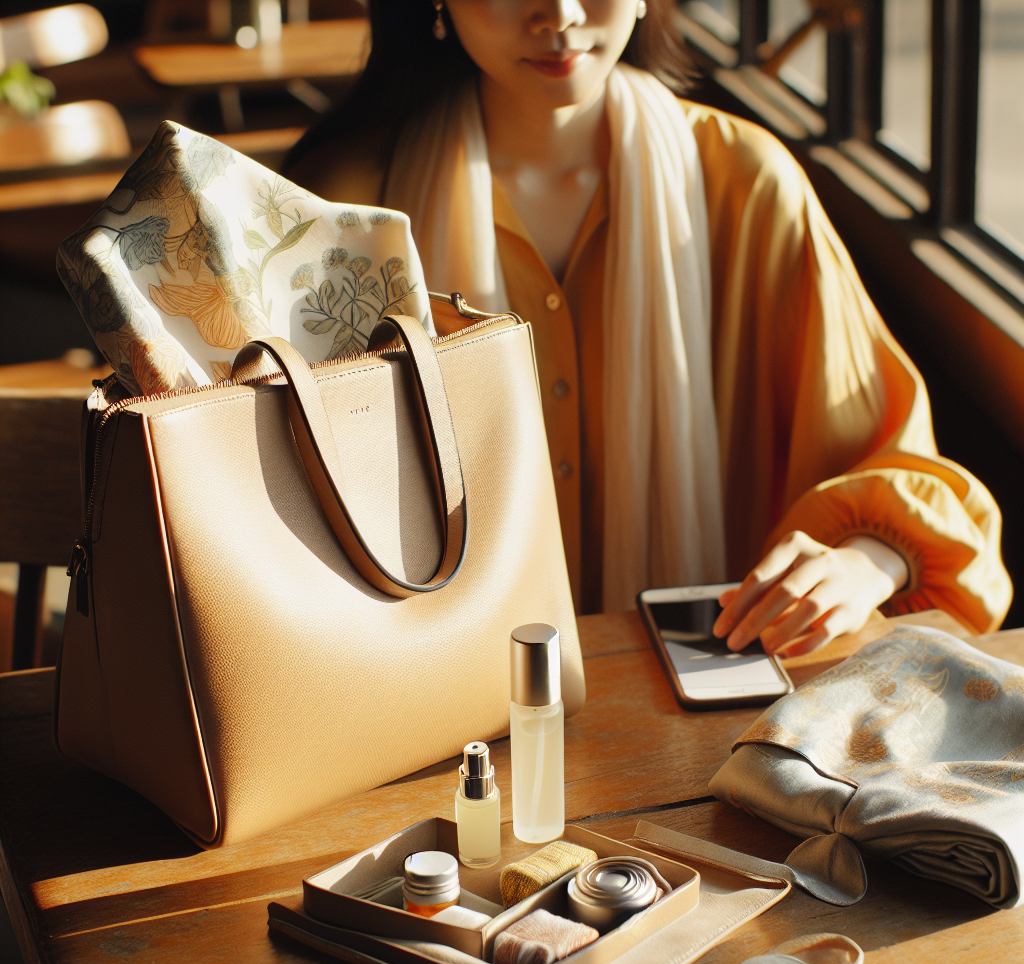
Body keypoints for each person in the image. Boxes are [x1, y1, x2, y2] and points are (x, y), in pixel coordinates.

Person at [285, 0, 1011, 653]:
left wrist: (863, 560)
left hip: (708, 703)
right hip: (429, 705)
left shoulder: (750, 186)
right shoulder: (338, 206)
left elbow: (889, 460)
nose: (559, 14)